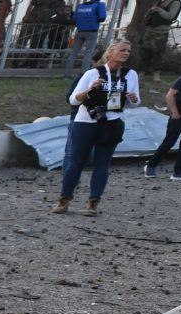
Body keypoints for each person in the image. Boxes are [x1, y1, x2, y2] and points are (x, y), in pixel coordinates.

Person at [57, 39, 139, 215]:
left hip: (113, 122)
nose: (126, 53)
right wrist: (90, 90)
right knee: (76, 161)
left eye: (128, 51)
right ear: (111, 51)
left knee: (102, 163)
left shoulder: (130, 74)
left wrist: (133, 99)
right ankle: (64, 199)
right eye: (122, 50)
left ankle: (93, 202)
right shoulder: (93, 73)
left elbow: (134, 104)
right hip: (86, 121)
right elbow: (73, 100)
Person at [68, 0, 108, 72]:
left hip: (79, 31)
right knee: (88, 53)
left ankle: (66, 73)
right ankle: (84, 73)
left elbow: (74, 19)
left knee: (74, 52)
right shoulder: (99, 5)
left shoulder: (80, 6)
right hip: (92, 31)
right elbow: (102, 17)